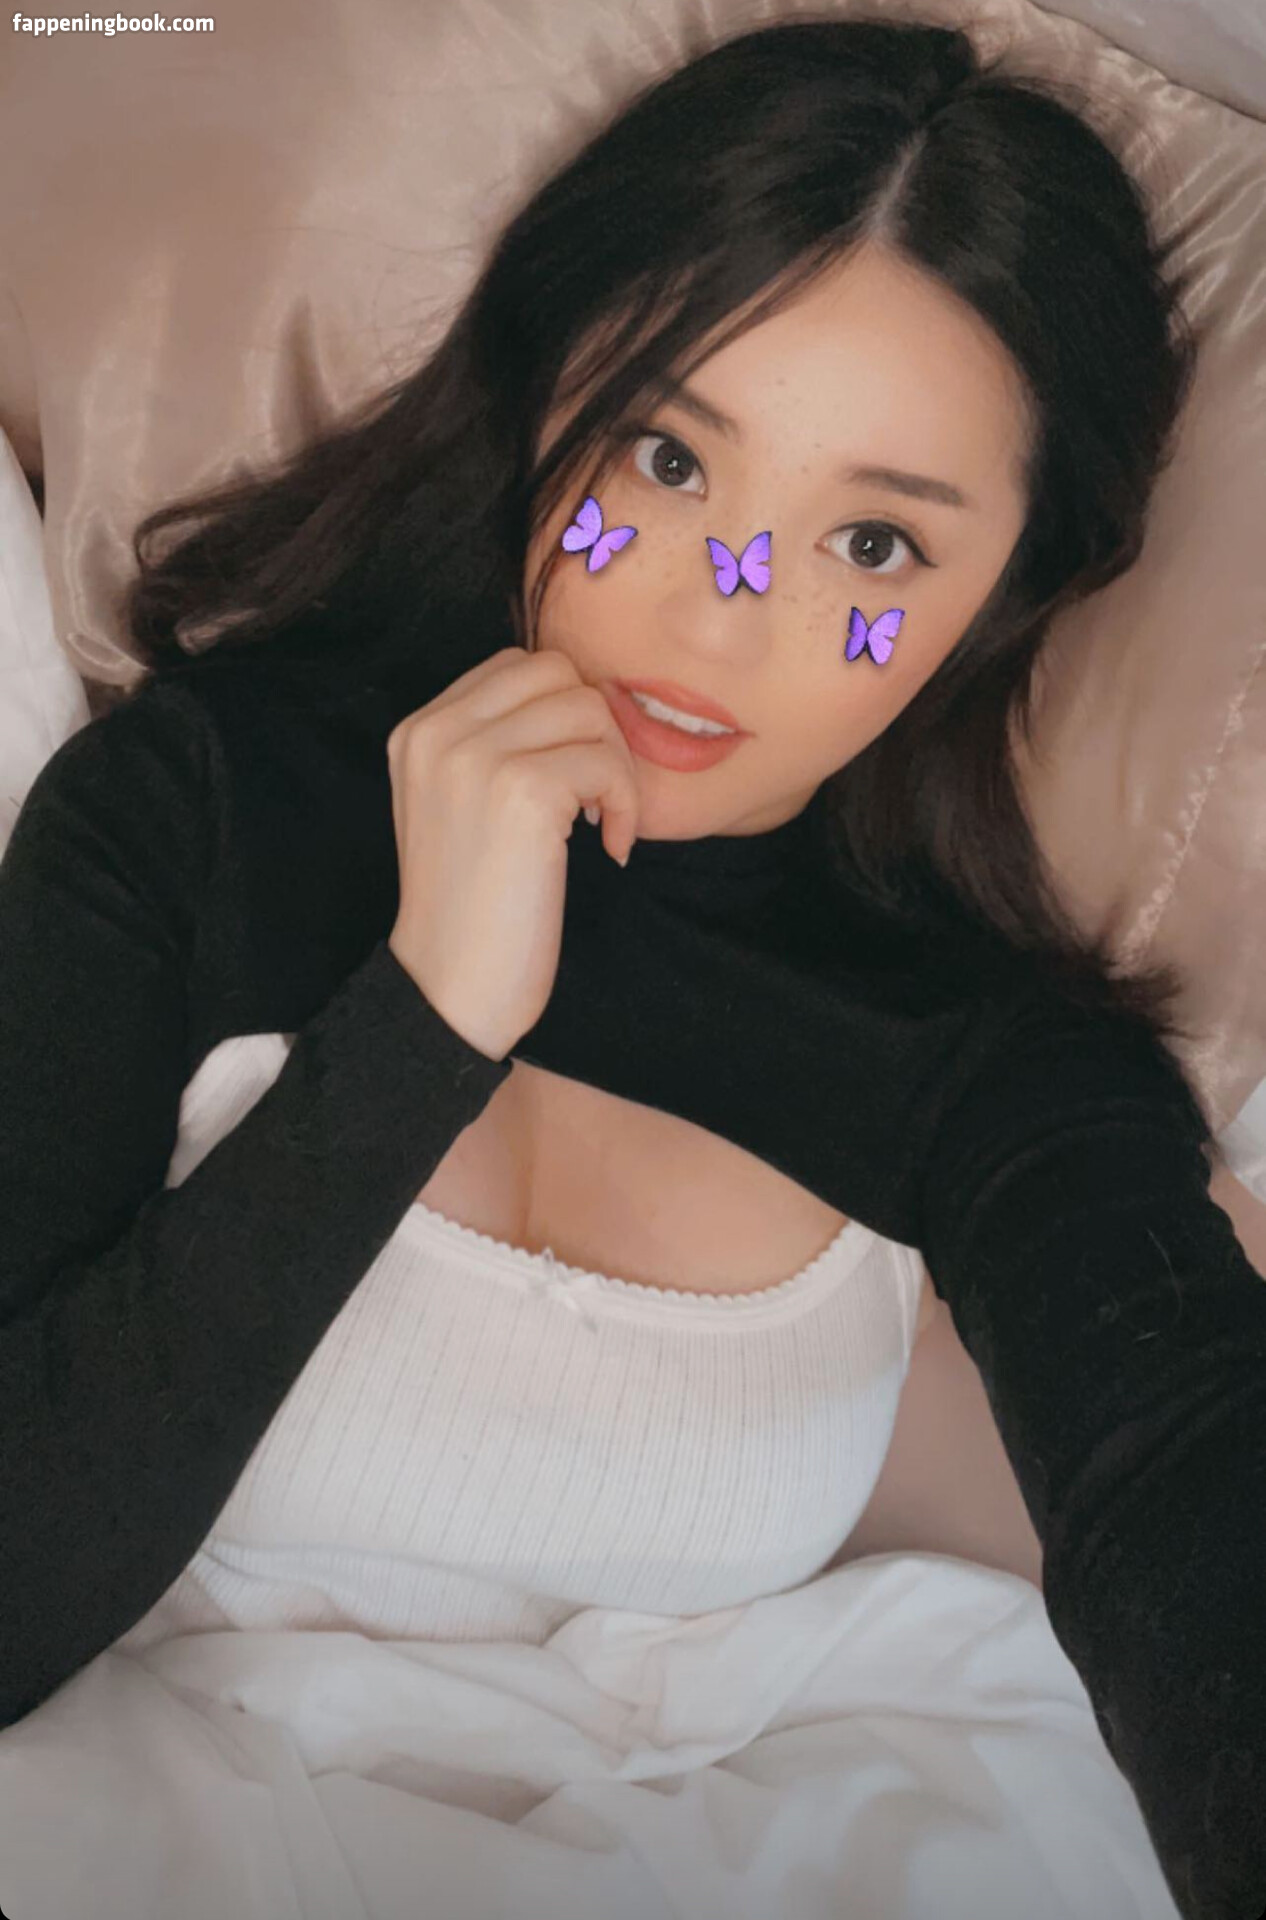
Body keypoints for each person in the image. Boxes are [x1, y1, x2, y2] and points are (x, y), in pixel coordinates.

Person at [1, 16, 1262, 1917]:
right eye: (667, 457)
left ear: (1001, 597)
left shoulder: (987, 1062)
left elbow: (1184, 1482)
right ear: (546, 392)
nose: (714, 618)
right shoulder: (200, 806)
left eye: (869, 544)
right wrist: (425, 1023)